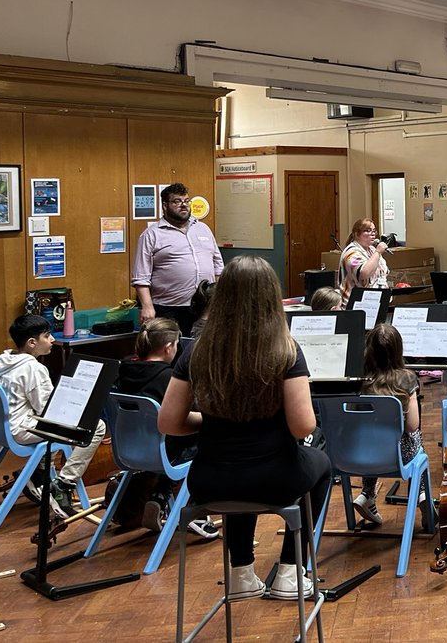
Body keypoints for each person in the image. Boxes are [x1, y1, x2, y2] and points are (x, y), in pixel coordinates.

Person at [158, 255, 332, 601]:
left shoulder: (197, 352)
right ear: (271, 297)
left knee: (238, 478)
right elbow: (302, 427)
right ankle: (290, 571)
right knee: (322, 464)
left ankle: (240, 574)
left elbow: (169, 423)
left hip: (209, 482)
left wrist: (211, 420)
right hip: (274, 480)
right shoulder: (285, 351)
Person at [0, 315, 107, 519]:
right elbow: (49, 411)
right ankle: (64, 484)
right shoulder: (33, 368)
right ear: (32, 343)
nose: (53, 339)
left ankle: (39, 472)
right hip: (22, 429)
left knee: (59, 425)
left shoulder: (3, 361)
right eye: (47, 336)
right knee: (95, 426)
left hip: (1, 428)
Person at [114, 318, 214, 537]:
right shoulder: (167, 378)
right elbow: (188, 415)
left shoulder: (124, 369)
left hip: (129, 451)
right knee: (209, 430)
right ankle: (196, 510)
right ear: (169, 347)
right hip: (165, 452)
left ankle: (160, 493)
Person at [350, 325, 422, 526]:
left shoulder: (357, 380)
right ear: (398, 350)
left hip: (357, 453)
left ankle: (367, 494)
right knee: (417, 439)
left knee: (371, 437)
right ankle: (422, 494)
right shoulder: (407, 379)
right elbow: (412, 426)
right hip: (396, 454)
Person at [131, 183, 225, 335]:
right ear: (164, 206)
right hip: (170, 309)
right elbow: (141, 277)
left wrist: (219, 299)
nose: (184, 206)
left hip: (205, 307)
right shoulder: (151, 235)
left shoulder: (203, 229)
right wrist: (147, 307)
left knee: (201, 352)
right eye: (177, 201)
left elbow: (218, 266)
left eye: (187, 201)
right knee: (173, 352)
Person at [338, 218, 390, 307]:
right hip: (355, 304)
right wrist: (378, 252)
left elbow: (384, 271)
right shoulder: (351, 252)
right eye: (368, 231)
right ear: (357, 234)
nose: (373, 234)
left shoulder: (372, 250)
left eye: (374, 231)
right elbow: (364, 273)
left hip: (375, 302)